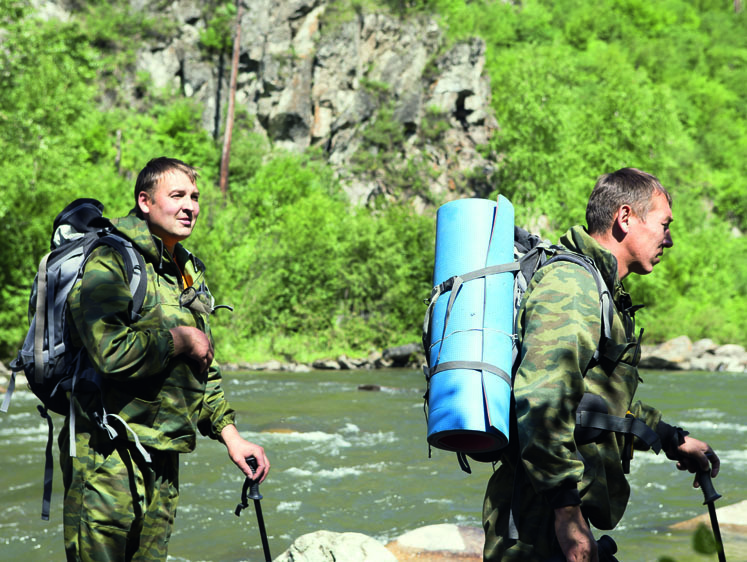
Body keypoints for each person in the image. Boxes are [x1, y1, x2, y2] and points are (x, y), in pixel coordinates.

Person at [482, 168, 720, 561]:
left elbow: (596, 406)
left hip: (553, 511)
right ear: (625, 218)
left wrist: (670, 437)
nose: (670, 239)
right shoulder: (572, 286)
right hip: (536, 522)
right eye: (664, 225)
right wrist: (567, 516)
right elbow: (542, 400)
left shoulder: (601, 289)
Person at [60, 157, 270, 561]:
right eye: (177, 195)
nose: (190, 205)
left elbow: (203, 366)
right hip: (107, 460)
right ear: (145, 201)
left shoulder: (186, 271)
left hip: (164, 457)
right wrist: (178, 339)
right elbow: (110, 351)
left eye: (194, 197)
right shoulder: (111, 261)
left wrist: (231, 435)